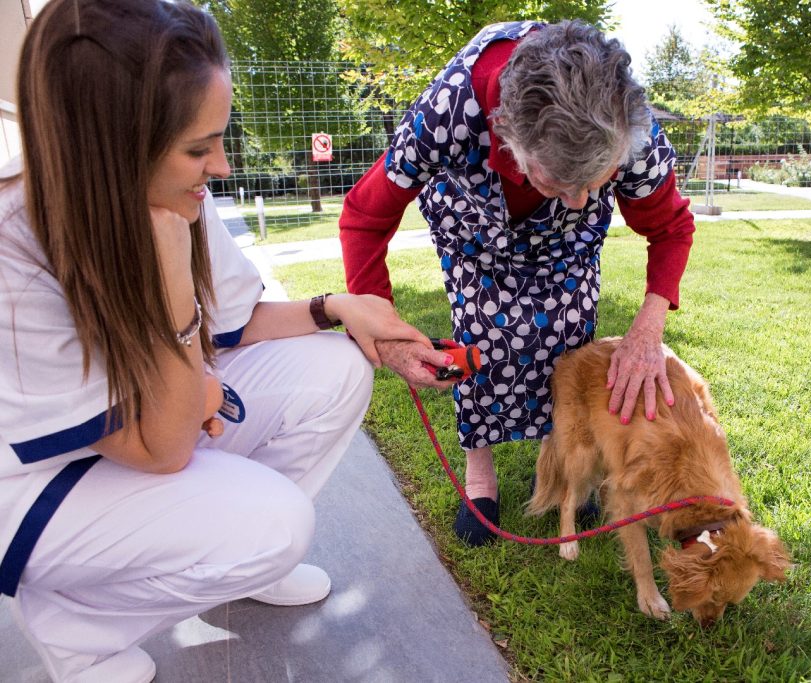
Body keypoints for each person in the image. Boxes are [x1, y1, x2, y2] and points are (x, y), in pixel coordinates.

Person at [0, 1, 445, 681]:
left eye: (219, 138)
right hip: (43, 483)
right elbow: (163, 446)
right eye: (198, 148)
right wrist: (177, 299)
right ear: (110, 148)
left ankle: (233, 562)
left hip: (140, 425)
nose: (224, 167)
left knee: (337, 367)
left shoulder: (169, 195)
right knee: (274, 525)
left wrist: (341, 308)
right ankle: (78, 629)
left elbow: (236, 321)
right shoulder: (15, 258)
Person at [338, 20, 696, 546]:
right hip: (474, 228)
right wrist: (384, 329)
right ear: (508, 132)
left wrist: (648, 331)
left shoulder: (630, 128)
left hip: (565, 248)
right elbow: (364, 216)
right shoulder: (451, 109)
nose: (577, 200)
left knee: (569, 340)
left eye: (592, 185)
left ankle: (558, 465)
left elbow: (670, 227)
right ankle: (480, 477)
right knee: (480, 338)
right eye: (558, 182)